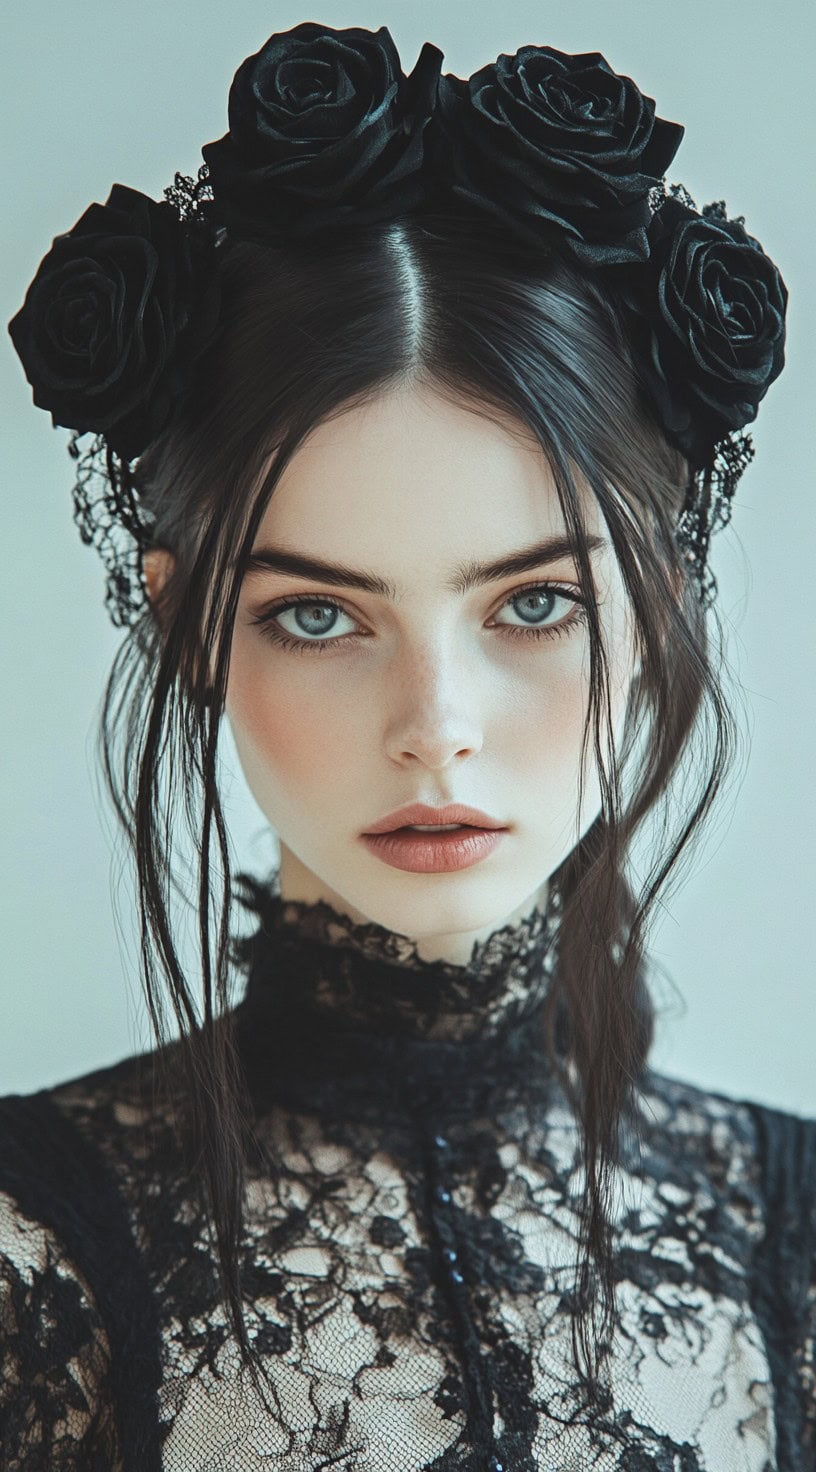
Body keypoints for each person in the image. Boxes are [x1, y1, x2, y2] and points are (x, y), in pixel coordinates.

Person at [1, 20, 811, 1471]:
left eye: (538, 602)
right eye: (318, 615)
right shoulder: (32, 1244)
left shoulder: (793, 1227)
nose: (435, 725)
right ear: (188, 626)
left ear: (658, 614)